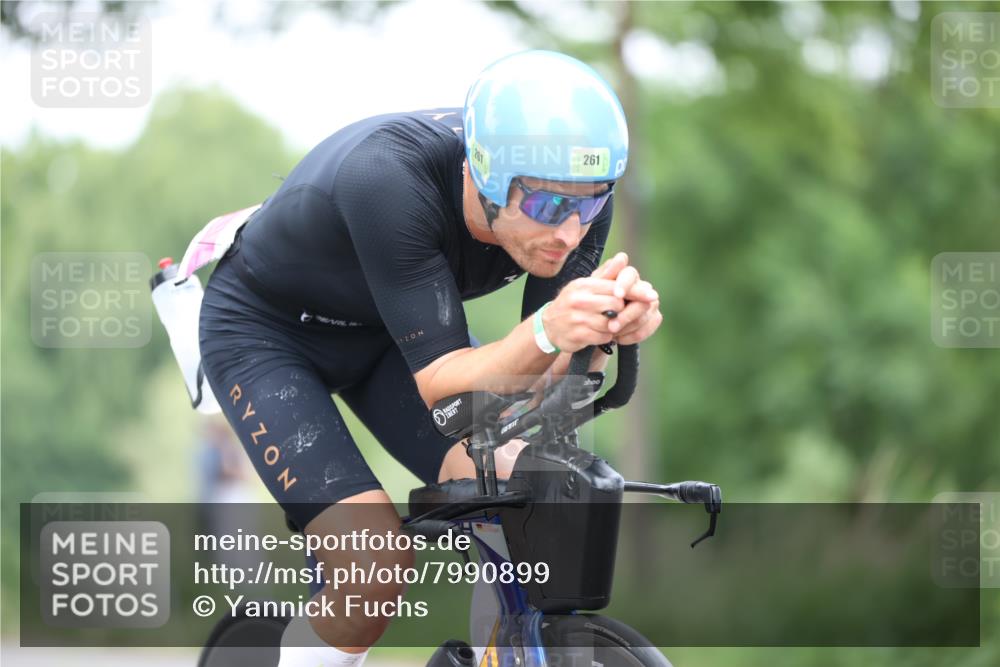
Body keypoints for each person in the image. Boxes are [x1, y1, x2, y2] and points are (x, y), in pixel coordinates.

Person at [198, 50, 662, 667]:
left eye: (591, 205)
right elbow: (448, 388)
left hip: (390, 337)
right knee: (373, 567)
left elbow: (537, 389)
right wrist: (550, 328)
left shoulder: (575, 194)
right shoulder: (388, 178)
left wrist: (600, 337)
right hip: (267, 333)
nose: (571, 233)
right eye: (549, 207)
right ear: (488, 176)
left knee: (519, 485)